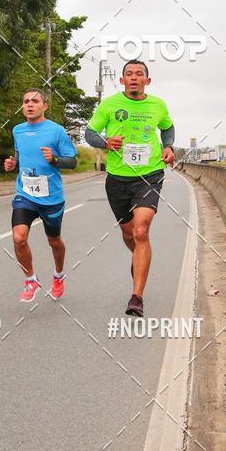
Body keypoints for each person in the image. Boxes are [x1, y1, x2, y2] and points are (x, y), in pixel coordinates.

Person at [84, 60, 175, 317]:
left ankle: (136, 297)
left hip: (150, 175)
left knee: (141, 229)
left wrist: (168, 146)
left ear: (148, 80)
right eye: (128, 74)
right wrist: (104, 141)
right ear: (122, 80)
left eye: (139, 74)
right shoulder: (109, 105)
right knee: (129, 234)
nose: (134, 77)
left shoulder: (158, 105)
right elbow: (89, 133)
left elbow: (167, 127)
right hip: (117, 179)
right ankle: (139, 257)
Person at [4, 88, 77, 303]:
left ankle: (58, 275)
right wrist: (12, 164)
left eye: (35, 101)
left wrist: (54, 159)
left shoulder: (56, 131)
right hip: (25, 194)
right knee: (19, 238)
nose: (29, 104)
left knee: (54, 241)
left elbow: (72, 161)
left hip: (51, 198)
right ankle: (31, 279)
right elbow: (19, 155)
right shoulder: (17, 130)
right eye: (26, 101)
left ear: (44, 106)